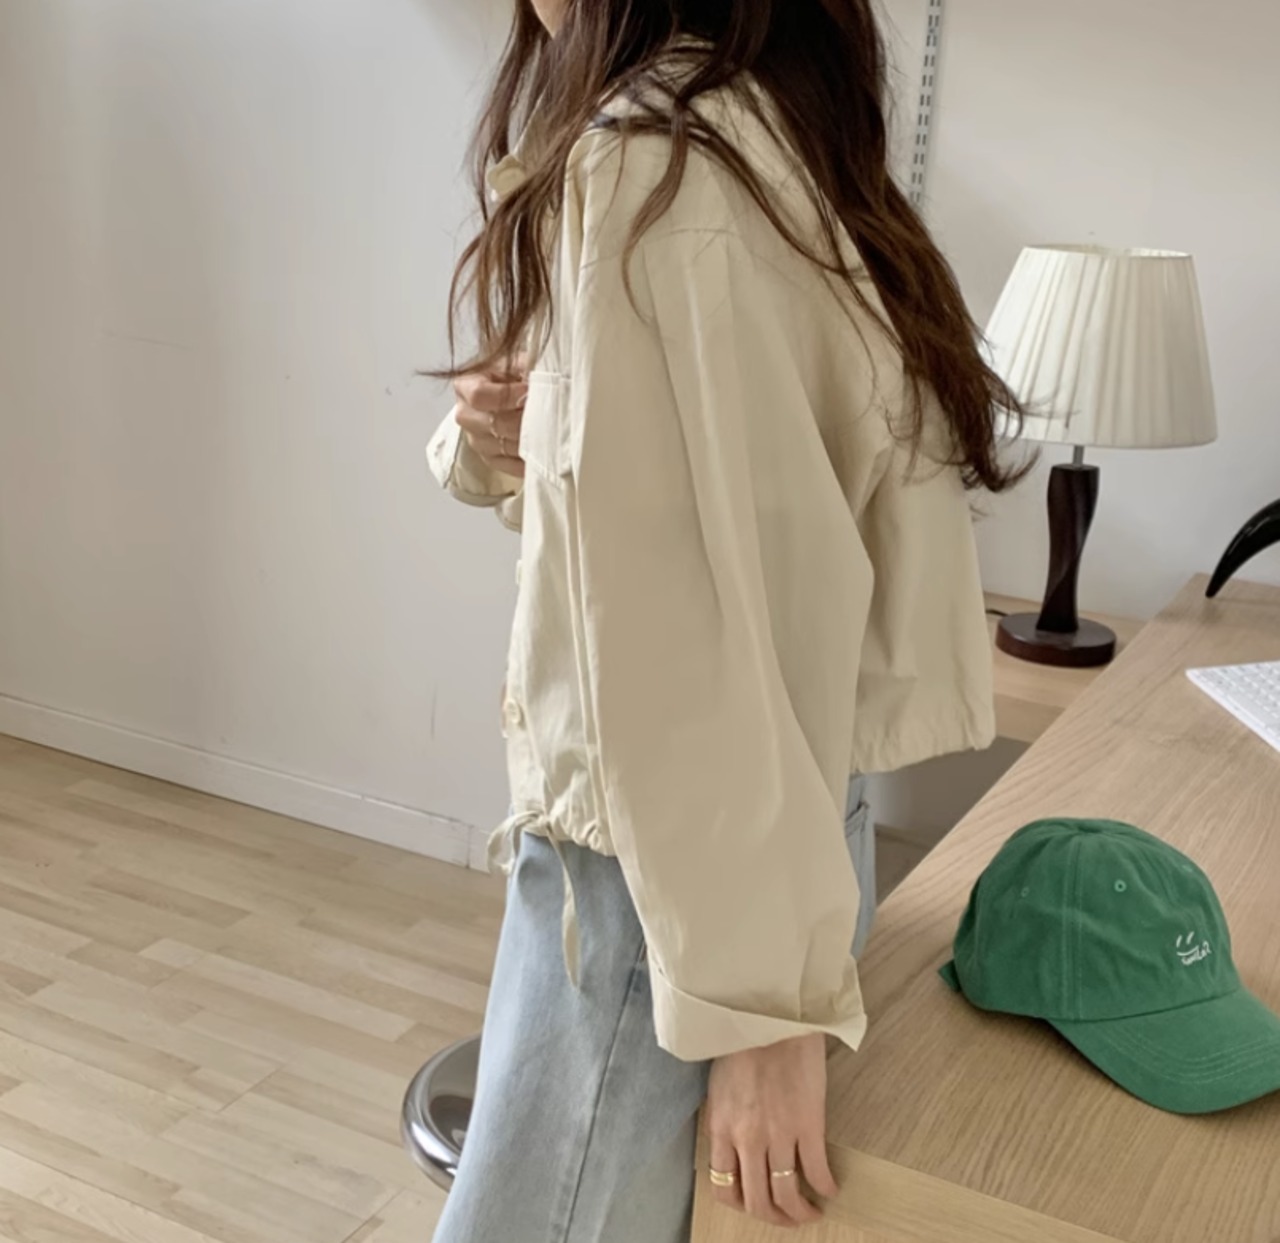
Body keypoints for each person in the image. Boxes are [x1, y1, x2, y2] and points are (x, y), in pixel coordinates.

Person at [427, 1, 1024, 1239]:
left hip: (659, 883)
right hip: (747, 842)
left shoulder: (651, 166)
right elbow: (700, 518)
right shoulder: (758, 128)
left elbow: (696, 632)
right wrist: (506, 430)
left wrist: (756, 1008)